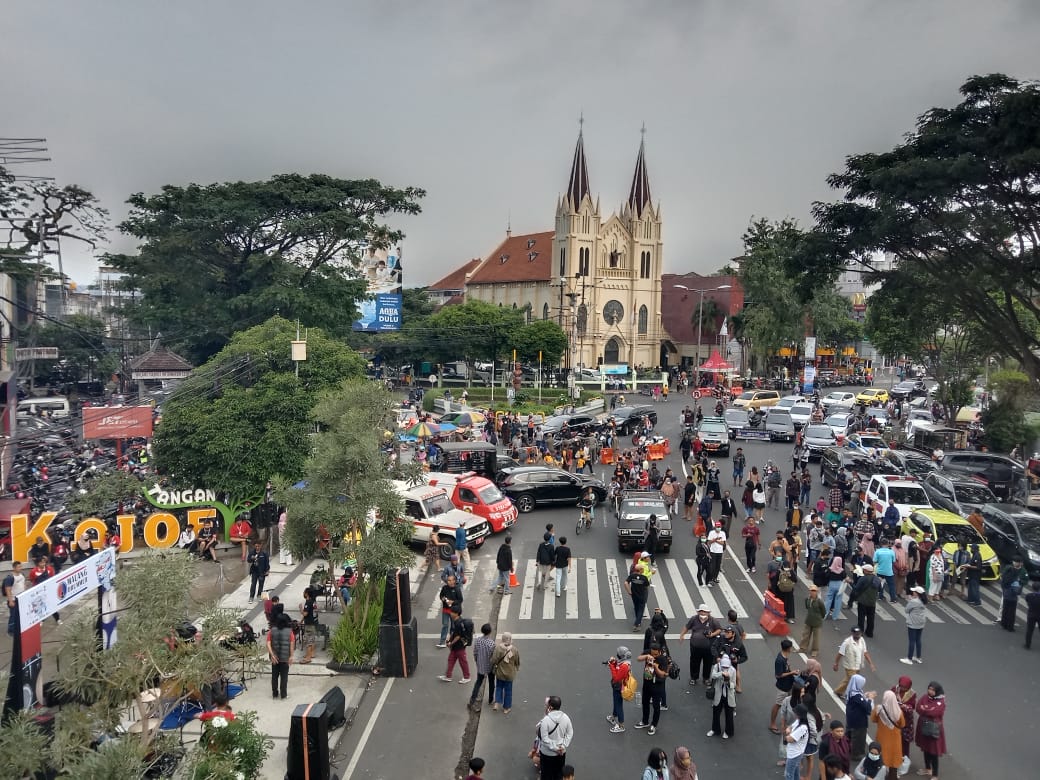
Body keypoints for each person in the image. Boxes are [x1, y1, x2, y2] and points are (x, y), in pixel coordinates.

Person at [634, 642, 671, 735]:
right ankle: (645, 721)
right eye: (652, 653)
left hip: (657, 685)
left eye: (656, 654)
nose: (654, 656)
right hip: (647, 682)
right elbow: (638, 658)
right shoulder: (648, 653)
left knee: (656, 706)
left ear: (659, 652)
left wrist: (655, 667)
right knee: (645, 702)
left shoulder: (663, 659)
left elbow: (663, 674)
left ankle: (654, 725)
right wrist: (646, 656)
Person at [679, 605, 720, 686]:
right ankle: (693, 678)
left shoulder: (713, 620)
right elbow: (687, 627)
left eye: (705, 611)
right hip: (695, 646)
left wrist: (712, 634)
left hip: (708, 647)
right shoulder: (694, 619)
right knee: (694, 662)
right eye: (701, 611)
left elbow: (719, 629)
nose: (703, 613)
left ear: (708, 613)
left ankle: (706, 678)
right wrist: (682, 635)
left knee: (707, 663)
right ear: (698, 612)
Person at [536, 695, 573, 780]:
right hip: (561, 753)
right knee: (558, 774)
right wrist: (563, 746)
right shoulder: (566, 717)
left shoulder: (546, 720)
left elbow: (544, 739)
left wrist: (555, 748)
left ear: (550, 707)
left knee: (546, 774)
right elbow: (570, 733)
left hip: (547, 754)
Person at [914, 681, 946, 780]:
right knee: (925, 749)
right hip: (924, 727)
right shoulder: (925, 697)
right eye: (929, 689)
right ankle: (928, 768)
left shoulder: (941, 701)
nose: (930, 691)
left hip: (933, 730)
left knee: (933, 752)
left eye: (933, 690)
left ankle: (935, 774)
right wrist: (928, 709)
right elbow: (918, 707)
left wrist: (925, 709)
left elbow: (935, 713)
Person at [833, 627, 875, 697]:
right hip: (849, 666)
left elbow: (865, 652)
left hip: (858, 665)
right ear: (852, 633)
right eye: (856, 634)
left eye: (859, 634)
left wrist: (871, 664)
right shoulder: (847, 642)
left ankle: (838, 691)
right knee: (854, 681)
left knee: (849, 679)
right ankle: (852, 695)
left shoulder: (862, 640)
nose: (857, 635)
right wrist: (836, 664)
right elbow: (840, 653)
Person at [769, 638, 798, 733]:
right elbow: (778, 675)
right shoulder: (779, 660)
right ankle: (772, 724)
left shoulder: (784, 656)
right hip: (783, 686)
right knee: (778, 705)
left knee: (788, 703)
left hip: (789, 684)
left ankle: (786, 721)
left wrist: (789, 669)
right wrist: (791, 672)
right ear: (788, 648)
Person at [706, 653, 737, 739]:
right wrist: (721, 673)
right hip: (718, 693)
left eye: (727, 667)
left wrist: (728, 682)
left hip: (728, 695)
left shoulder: (733, 670)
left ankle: (728, 731)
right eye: (724, 666)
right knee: (716, 712)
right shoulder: (717, 666)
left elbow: (734, 685)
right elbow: (713, 676)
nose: (725, 668)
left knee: (729, 714)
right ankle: (715, 729)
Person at [439, 605, 472, 684]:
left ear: (457, 613)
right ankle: (448, 676)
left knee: (463, 662)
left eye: (452, 612)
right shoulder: (457, 621)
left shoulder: (458, 623)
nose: (450, 613)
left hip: (459, 646)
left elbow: (458, 636)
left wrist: (451, 643)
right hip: (456, 646)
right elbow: (454, 633)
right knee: (451, 660)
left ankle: (467, 677)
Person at [489, 631, 519, 712]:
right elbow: (517, 662)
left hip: (500, 673)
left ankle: (497, 703)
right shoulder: (514, 650)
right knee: (508, 691)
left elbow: (494, 660)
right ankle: (506, 708)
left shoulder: (498, 648)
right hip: (510, 674)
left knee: (499, 687)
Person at [267, 612, 294, 699]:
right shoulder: (290, 632)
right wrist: (291, 656)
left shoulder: (272, 630)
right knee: (284, 677)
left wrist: (272, 655)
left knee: (274, 676)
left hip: (275, 658)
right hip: (285, 658)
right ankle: (283, 695)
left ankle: (274, 694)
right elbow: (291, 645)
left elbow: (268, 643)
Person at [890, 676, 917, 766]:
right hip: (895, 718)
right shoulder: (894, 689)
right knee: (894, 737)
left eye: (905, 687)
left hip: (906, 720)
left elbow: (912, 706)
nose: (903, 688)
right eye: (901, 686)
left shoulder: (912, 694)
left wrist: (904, 706)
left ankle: (904, 757)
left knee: (904, 740)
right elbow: (889, 699)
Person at [469, 623, 496, 709]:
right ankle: (490, 700)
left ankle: (473, 699)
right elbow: (493, 656)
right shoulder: (491, 643)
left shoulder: (478, 641)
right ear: (490, 632)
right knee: (491, 682)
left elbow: (475, 653)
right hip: (490, 666)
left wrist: (477, 661)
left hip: (480, 665)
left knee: (478, 682)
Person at [850, 564, 882, 638]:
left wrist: (850, 582)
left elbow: (856, 588)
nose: (863, 571)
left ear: (867, 571)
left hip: (862, 601)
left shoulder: (863, 579)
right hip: (872, 602)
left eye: (864, 570)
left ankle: (860, 632)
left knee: (861, 617)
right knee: (871, 618)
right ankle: (869, 633)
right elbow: (880, 589)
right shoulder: (877, 579)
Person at [606, 646, 631, 733]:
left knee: (618, 704)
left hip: (619, 687)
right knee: (616, 702)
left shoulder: (624, 666)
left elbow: (616, 677)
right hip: (618, 686)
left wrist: (611, 666)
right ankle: (613, 716)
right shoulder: (624, 662)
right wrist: (614, 662)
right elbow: (618, 666)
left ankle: (621, 725)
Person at [999, 556, 1029, 630]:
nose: (1014, 563)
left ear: (1020, 563)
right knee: (1004, 607)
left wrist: (1019, 581)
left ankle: (1008, 623)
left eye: (1016, 562)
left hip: (1016, 592)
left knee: (1012, 608)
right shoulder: (1008, 568)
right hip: (1007, 590)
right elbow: (1003, 577)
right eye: (1014, 562)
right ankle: (1003, 621)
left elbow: (1025, 581)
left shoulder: (1023, 571)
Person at [783, 704, 811, 780]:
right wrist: (789, 730)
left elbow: (790, 739)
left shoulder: (802, 727)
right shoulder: (799, 721)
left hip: (794, 754)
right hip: (796, 752)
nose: (794, 714)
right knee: (795, 772)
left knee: (789, 775)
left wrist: (787, 735)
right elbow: (790, 727)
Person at [900, 586, 926, 664]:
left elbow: (906, 610)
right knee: (918, 640)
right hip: (921, 622)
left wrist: (910, 600)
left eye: (914, 591)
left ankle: (909, 658)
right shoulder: (923, 600)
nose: (913, 592)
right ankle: (918, 657)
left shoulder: (914, 601)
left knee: (912, 641)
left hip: (913, 622)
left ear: (917, 593)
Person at [437, 573, 464, 647]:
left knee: (453, 626)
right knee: (445, 625)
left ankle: (451, 641)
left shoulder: (457, 589)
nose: (450, 582)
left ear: (454, 581)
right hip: (445, 610)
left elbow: (460, 600)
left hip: (454, 611)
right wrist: (442, 599)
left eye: (452, 580)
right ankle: (442, 641)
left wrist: (452, 602)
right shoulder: (444, 588)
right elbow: (441, 595)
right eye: (448, 580)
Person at [625, 558, 651, 631]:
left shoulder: (632, 576)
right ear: (640, 570)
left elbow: (626, 583)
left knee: (636, 607)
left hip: (634, 595)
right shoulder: (644, 578)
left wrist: (629, 591)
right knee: (641, 609)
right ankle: (636, 624)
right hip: (642, 596)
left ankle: (638, 621)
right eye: (642, 569)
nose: (643, 570)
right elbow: (646, 586)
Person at [800, 584, 827, 657]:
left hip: (817, 622)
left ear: (817, 592)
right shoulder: (807, 599)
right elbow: (807, 607)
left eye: (814, 591)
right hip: (808, 620)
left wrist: (819, 617)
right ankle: (803, 648)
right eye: (811, 590)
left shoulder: (819, 601)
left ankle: (814, 650)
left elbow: (823, 612)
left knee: (816, 638)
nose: (812, 592)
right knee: (805, 635)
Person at [4, 561, 26, 636]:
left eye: (21, 566)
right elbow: (8, 590)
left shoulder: (22, 575)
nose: (20, 568)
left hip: (21, 598)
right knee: (13, 616)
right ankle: (11, 631)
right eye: (18, 567)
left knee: (20, 615)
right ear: (14, 568)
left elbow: (23, 585)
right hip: (13, 599)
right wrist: (10, 601)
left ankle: (19, 628)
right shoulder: (10, 578)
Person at [1025, 579, 1040, 649]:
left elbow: (1028, 603)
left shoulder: (1028, 596)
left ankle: (1027, 644)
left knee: (1029, 630)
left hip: (1031, 614)